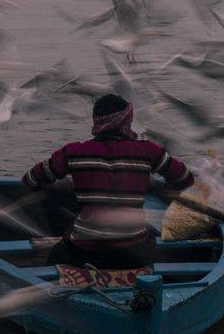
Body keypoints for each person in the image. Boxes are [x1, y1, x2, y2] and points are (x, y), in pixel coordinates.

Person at [21, 94, 195, 270]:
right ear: (126, 122)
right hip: (133, 252)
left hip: (85, 251)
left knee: (57, 253)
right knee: (147, 239)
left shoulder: (73, 152)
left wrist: (59, 186)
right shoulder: (148, 151)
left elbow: (30, 180)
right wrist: (151, 184)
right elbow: (185, 179)